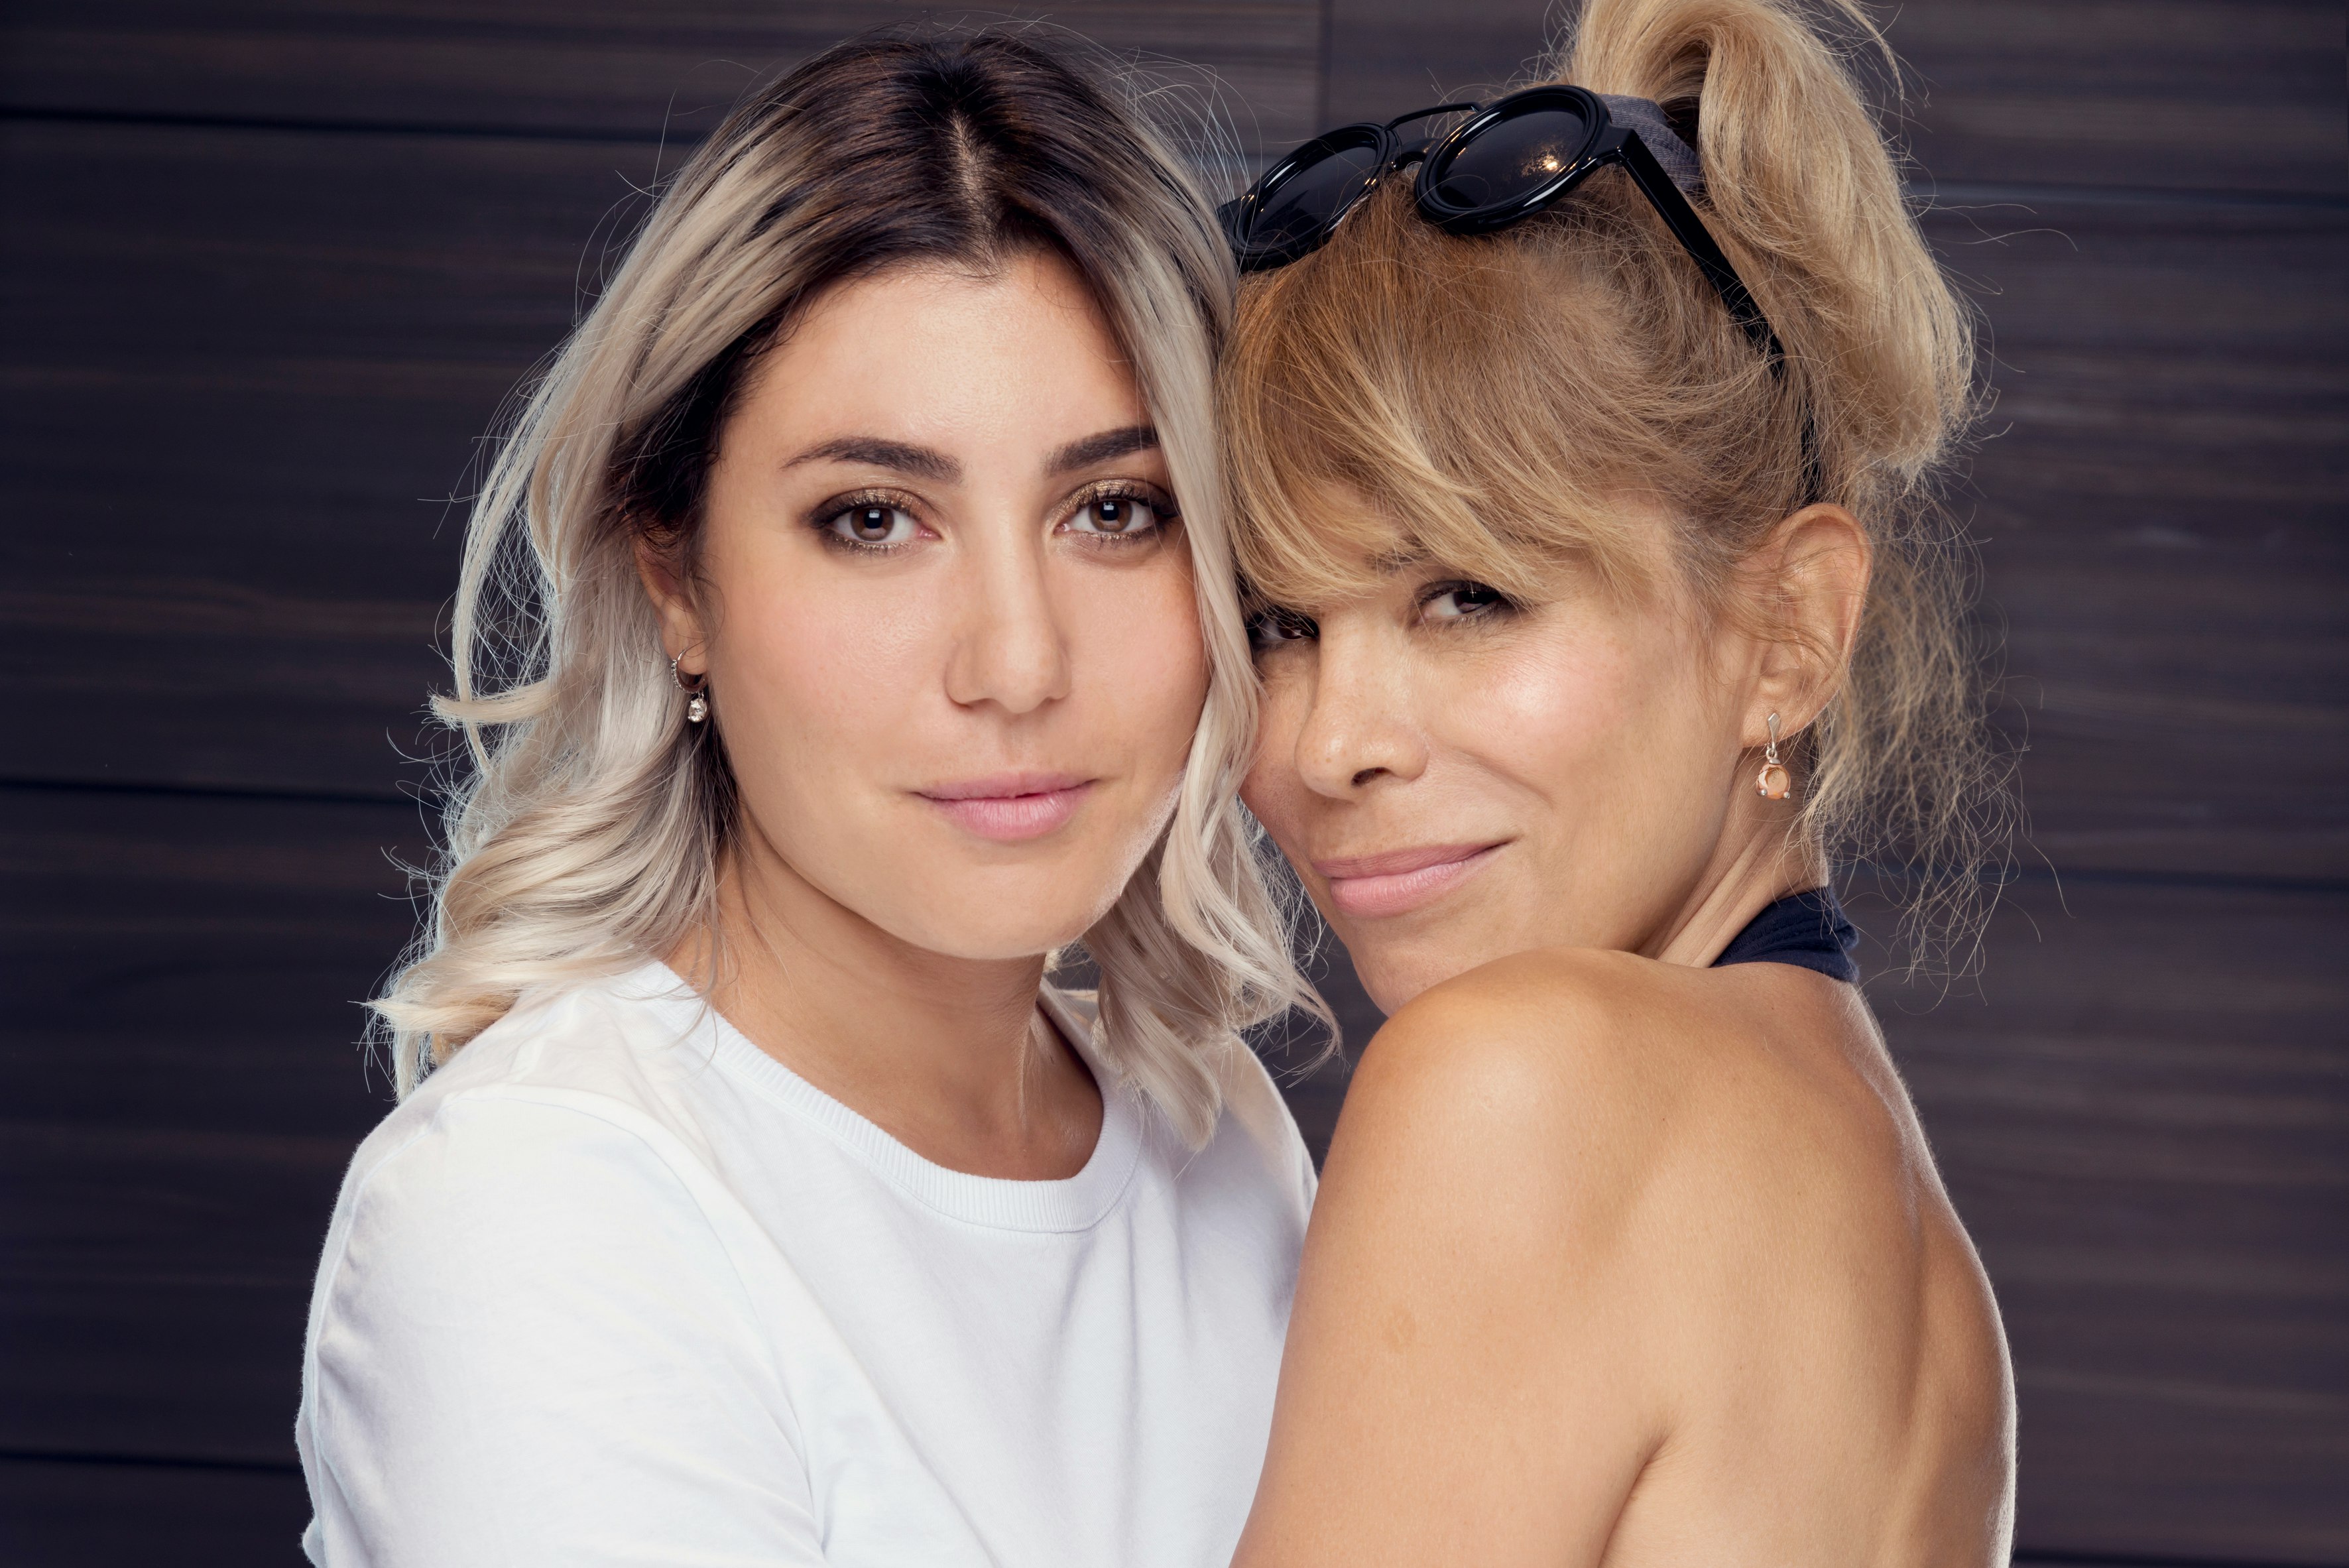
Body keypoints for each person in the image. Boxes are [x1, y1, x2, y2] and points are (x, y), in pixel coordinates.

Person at [293, 30, 1325, 1567]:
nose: (1017, 660)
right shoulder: (537, 1211)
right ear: (676, 579)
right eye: (873, 518)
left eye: (1114, 510)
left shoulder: (1212, 1128)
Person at [1217, 0, 2018, 1561]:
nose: (1327, 743)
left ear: (1784, 633)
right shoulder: (1924, 1268)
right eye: (1276, 623)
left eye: (1466, 597)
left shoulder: (1520, 1085)